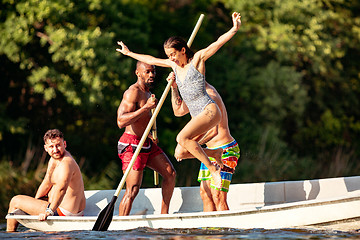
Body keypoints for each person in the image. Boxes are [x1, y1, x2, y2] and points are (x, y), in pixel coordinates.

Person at [116, 12, 241, 189]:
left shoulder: (197, 60)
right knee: (181, 151)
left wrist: (234, 29)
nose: (171, 58)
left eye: (174, 54)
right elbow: (151, 60)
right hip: (199, 116)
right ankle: (214, 153)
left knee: (181, 136)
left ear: (183, 50)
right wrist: (129, 53)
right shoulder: (174, 65)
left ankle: (213, 169)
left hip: (209, 110)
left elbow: (216, 44)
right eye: (169, 55)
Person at [167, 72, 240, 211]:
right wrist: (174, 87)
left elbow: (214, 131)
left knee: (218, 195)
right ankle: (210, 232)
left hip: (226, 148)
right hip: (211, 152)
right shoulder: (196, 96)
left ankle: (224, 232)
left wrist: (192, 145)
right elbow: (177, 111)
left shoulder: (209, 96)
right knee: (205, 194)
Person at [116, 61, 176, 216]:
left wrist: (149, 135)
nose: (151, 75)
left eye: (153, 72)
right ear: (138, 73)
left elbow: (140, 123)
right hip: (131, 144)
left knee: (170, 174)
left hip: (146, 143)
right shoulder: (132, 92)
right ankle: (121, 225)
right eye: (147, 72)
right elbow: (121, 121)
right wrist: (145, 108)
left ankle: (164, 216)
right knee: (133, 189)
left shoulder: (149, 93)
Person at [7, 129, 86, 232]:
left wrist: (49, 211)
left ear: (64, 144)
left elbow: (61, 189)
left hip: (63, 212)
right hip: (66, 209)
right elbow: (46, 182)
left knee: (15, 201)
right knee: (42, 194)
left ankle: (9, 235)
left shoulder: (66, 163)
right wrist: (36, 202)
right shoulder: (54, 159)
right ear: (46, 148)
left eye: (58, 145)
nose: (55, 150)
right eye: (51, 147)